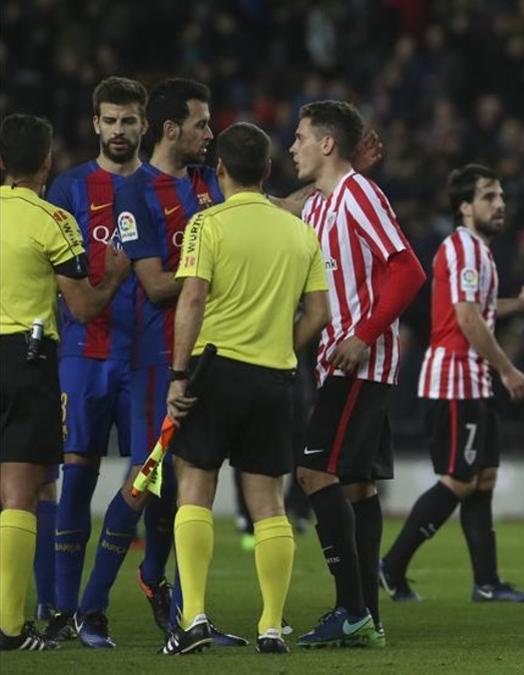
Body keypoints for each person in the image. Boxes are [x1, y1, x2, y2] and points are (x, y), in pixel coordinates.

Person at [161, 122, 331, 654]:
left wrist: (178, 374)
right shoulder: (301, 232)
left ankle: (193, 620)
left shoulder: (205, 224)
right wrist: (283, 342)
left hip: (214, 372)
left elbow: (190, 300)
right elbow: (321, 314)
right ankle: (272, 625)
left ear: (221, 171)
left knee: (196, 488)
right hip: (274, 376)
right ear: (267, 173)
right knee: (268, 503)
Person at [113, 77, 245, 647]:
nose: (210, 135)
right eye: (201, 124)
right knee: (159, 477)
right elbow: (158, 285)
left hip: (208, 354)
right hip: (157, 360)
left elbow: (257, 210)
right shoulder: (137, 192)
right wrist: (215, 277)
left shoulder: (204, 185)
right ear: (172, 130)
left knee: (192, 478)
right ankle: (114, 594)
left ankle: (183, 606)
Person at [290, 100, 425, 648]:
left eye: (300, 137)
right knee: (358, 485)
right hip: (340, 363)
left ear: (326, 144)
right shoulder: (323, 203)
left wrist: (364, 333)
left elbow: (408, 270)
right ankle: (367, 612)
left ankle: (350, 610)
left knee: (312, 475)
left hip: (359, 364)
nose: (292, 146)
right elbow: (276, 205)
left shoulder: (358, 195)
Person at [0, 112, 130, 651]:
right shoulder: (54, 219)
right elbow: (82, 305)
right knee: (21, 491)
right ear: (47, 163)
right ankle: (10, 628)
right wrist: (117, 275)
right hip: (24, 359)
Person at [380, 164, 524, 603]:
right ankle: (391, 566)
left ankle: (487, 583)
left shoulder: (477, 251)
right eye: (489, 196)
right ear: (465, 207)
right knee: (459, 479)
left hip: (472, 382)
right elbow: (467, 319)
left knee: (482, 478)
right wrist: (508, 367)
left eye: (501, 195)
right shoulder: (464, 250)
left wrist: (515, 304)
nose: (500, 203)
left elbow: (474, 308)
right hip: (454, 381)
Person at [40, 76, 157, 648]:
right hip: (84, 357)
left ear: (144, 125)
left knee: (146, 480)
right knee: (77, 478)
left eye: (128, 121)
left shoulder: (164, 189)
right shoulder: (67, 189)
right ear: (95, 124)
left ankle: (94, 605)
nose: (118, 131)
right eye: (109, 121)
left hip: (147, 360)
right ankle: (63, 611)